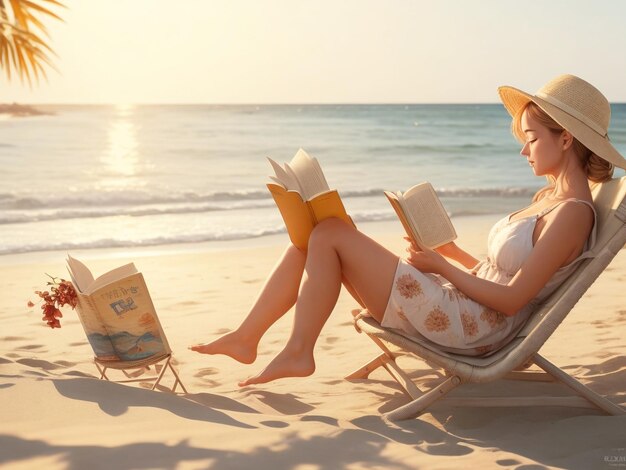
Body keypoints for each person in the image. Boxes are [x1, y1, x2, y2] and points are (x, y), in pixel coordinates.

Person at [190, 74, 626, 386]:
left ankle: (299, 351)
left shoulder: (573, 213)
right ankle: (249, 337)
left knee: (331, 234)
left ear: (565, 138)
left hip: (474, 325)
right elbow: (503, 274)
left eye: (530, 138)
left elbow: (513, 300)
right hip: (464, 302)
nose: (522, 149)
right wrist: (450, 252)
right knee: (315, 236)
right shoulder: (549, 200)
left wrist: (441, 266)